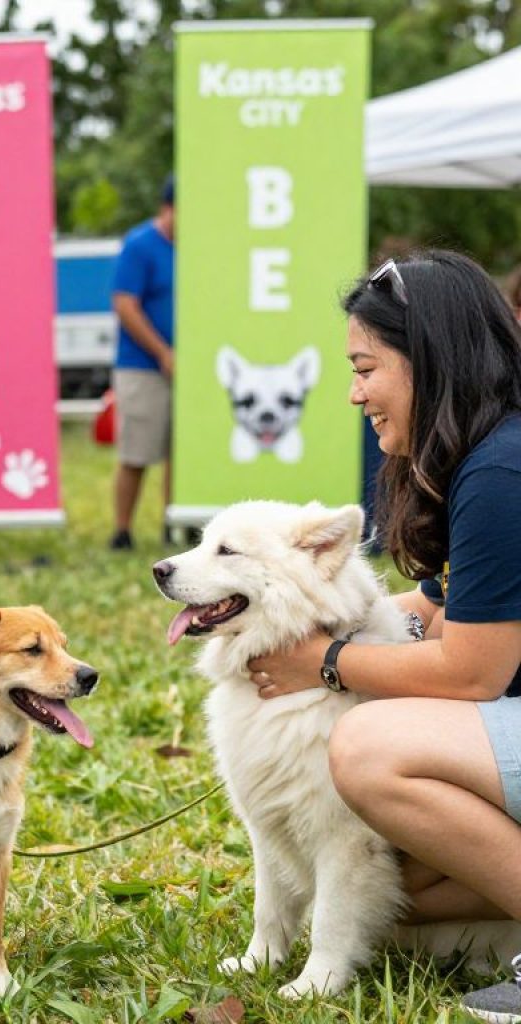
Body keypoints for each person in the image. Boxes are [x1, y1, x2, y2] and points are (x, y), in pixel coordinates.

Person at [244, 251, 521, 1022]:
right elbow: (433, 608)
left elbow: (474, 674)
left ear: (428, 356)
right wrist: (297, 619)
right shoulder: (481, 458)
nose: (353, 392)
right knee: (406, 886)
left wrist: (323, 662)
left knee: (367, 749)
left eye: (366, 367)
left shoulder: (502, 474)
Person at [108, 174, 175, 551]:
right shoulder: (139, 245)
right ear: (167, 208)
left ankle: (172, 523)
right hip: (141, 366)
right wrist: (162, 352)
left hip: (185, 367)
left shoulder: (195, 246)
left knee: (177, 456)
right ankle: (122, 529)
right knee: (136, 451)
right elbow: (125, 304)